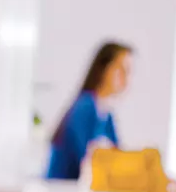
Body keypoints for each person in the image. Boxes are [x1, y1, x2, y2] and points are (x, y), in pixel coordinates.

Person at [46, 41, 133, 180]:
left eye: (129, 72)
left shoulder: (107, 115)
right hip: (62, 189)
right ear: (104, 69)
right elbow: (88, 162)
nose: (127, 78)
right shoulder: (85, 106)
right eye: (122, 69)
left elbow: (118, 159)